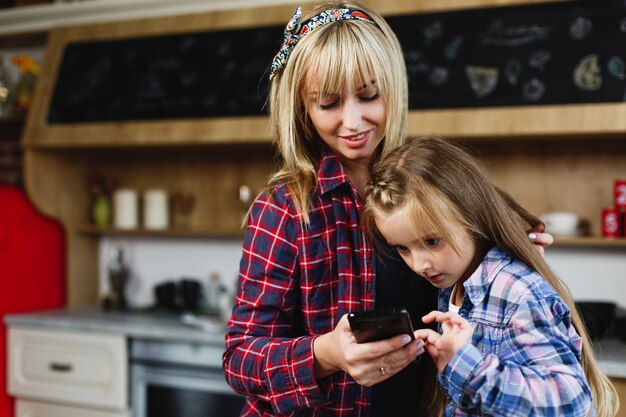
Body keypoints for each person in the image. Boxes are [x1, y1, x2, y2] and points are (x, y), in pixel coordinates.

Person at [223, 2, 554, 416]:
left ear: (393, 88)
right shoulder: (285, 211)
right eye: (328, 104)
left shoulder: (432, 187)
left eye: (368, 96)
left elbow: (473, 298)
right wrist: (326, 353)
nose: (352, 121)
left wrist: (508, 258)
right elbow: (239, 360)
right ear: (303, 110)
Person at [362, 136, 619, 417]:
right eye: (402, 248)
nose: (419, 264)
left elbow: (572, 402)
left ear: (471, 216)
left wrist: (470, 367)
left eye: (432, 241)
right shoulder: (452, 284)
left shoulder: (516, 291)